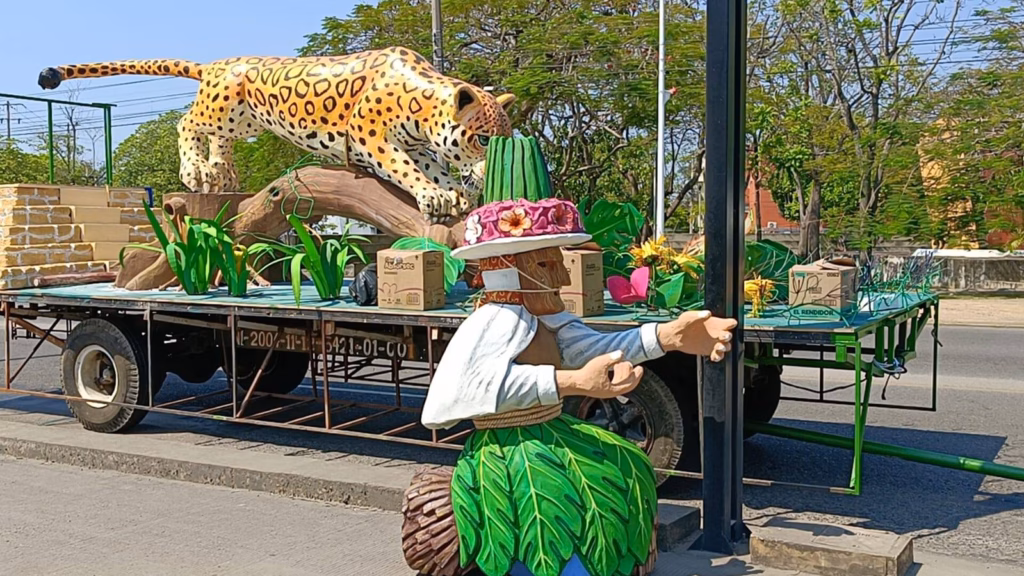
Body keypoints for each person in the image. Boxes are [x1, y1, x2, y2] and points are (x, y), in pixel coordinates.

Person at [401, 141, 736, 576]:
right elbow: (458, 395)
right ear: (507, 270)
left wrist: (667, 336)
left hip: (551, 430)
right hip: (509, 450)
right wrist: (574, 383)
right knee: (550, 506)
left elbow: (590, 348)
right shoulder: (494, 321)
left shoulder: (545, 316)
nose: (561, 275)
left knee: (628, 464)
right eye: (546, 265)